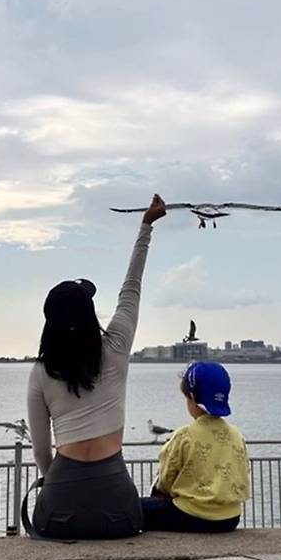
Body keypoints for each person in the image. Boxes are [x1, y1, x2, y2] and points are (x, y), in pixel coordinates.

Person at [26, 193, 166, 539]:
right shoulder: (116, 347)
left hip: (58, 512)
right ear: (90, 315)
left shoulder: (41, 372)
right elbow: (131, 289)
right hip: (118, 512)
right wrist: (145, 227)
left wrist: (56, 482)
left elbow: (41, 451)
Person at [140, 362, 250, 532]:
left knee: (134, 508)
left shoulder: (184, 435)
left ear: (191, 397)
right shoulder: (236, 435)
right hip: (230, 518)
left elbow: (165, 480)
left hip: (191, 516)